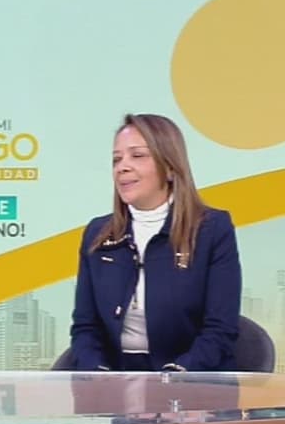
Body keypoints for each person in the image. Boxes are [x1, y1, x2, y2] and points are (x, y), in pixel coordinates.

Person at [69, 113, 242, 372]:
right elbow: (85, 328)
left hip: (190, 378)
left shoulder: (212, 229)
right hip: (115, 379)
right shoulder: (98, 234)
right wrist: (97, 374)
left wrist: (177, 376)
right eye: (117, 159)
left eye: (137, 156)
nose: (122, 167)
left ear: (170, 167)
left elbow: (220, 329)